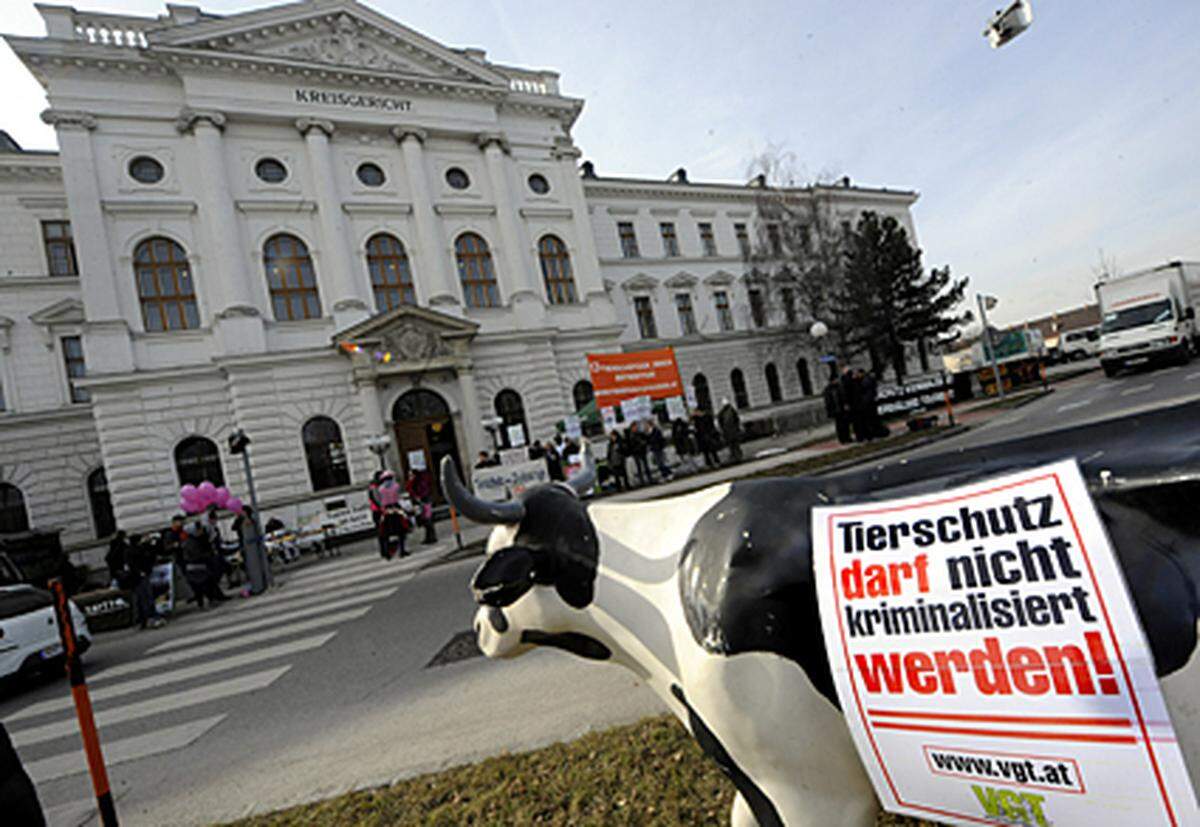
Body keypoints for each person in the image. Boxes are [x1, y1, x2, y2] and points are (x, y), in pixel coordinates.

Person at [181, 521, 229, 608]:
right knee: (206, 583)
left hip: (198, 566)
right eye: (199, 530)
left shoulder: (196, 539)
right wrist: (208, 554)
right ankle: (209, 601)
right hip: (197, 567)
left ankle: (211, 600)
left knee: (207, 583)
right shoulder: (191, 542)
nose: (201, 531)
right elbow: (196, 554)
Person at [127, 533, 165, 629]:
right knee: (147, 597)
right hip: (141, 576)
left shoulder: (130, 550)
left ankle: (144, 620)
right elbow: (147, 557)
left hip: (136, 577)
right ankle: (151, 618)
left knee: (142, 599)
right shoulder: (137, 550)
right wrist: (142, 571)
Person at [406, 466, 437, 544]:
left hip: (424, 502)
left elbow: (419, 492)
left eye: (411, 475)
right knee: (426, 521)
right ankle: (429, 537)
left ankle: (431, 537)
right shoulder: (416, 482)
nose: (410, 477)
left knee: (427, 520)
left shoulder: (418, 482)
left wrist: (418, 498)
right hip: (422, 502)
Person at [376, 470, 404, 559]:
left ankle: (388, 552)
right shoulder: (396, 486)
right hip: (396, 507)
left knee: (385, 532)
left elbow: (379, 500)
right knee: (401, 530)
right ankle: (402, 550)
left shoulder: (380, 488)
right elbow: (398, 496)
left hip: (386, 510)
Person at [824, 375, 851, 444]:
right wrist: (830, 411)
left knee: (846, 424)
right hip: (835, 410)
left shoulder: (840, 387)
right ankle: (842, 439)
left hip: (842, 409)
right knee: (839, 425)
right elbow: (828, 401)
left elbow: (844, 396)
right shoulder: (828, 389)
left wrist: (846, 404)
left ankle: (847, 437)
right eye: (835, 380)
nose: (836, 381)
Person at [840, 367, 865, 443]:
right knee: (859, 421)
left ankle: (859, 436)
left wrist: (846, 403)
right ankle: (861, 436)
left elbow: (845, 393)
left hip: (853, 405)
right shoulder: (854, 381)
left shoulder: (845, 381)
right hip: (857, 404)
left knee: (856, 422)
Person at [717, 398, 743, 463]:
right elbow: (737, 420)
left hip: (729, 432)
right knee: (734, 444)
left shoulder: (722, 413)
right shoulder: (731, 411)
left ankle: (736, 456)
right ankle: (736, 456)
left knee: (733, 445)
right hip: (731, 431)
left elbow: (720, 423)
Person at [626, 421, 651, 486]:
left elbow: (646, 439)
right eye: (634, 427)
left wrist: (644, 444)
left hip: (641, 451)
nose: (635, 428)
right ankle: (642, 481)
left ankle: (649, 479)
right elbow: (630, 445)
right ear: (632, 428)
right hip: (636, 452)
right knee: (639, 467)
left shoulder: (639, 433)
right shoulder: (630, 435)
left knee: (645, 466)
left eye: (636, 426)